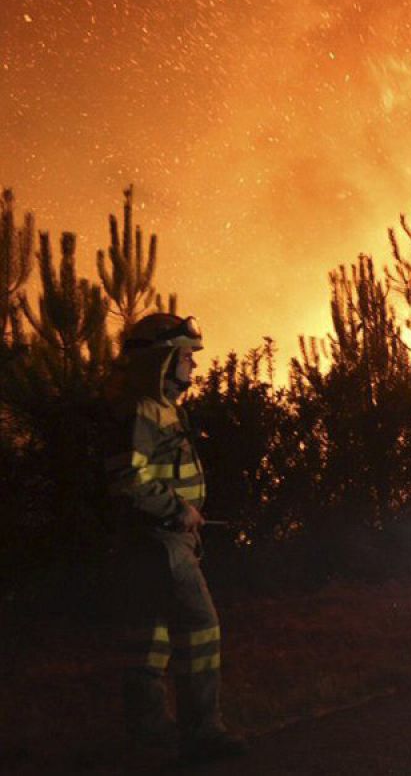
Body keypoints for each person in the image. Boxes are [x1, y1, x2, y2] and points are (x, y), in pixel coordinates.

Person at [103, 312, 246, 761]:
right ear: (163, 359)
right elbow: (128, 481)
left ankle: (148, 734)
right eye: (187, 356)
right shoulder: (143, 410)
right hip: (162, 541)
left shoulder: (158, 407)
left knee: (152, 637)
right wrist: (177, 510)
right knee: (200, 628)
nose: (194, 366)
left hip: (157, 539)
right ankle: (202, 733)